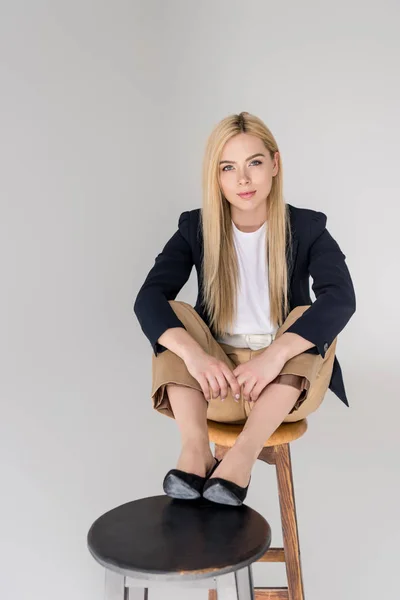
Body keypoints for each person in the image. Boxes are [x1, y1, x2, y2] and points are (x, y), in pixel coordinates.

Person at [133, 111, 356, 506]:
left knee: (309, 319)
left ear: (274, 163)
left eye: (254, 163)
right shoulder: (195, 228)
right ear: (215, 177)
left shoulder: (307, 228)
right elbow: (147, 299)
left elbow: (341, 299)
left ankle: (242, 457)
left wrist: (273, 357)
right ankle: (195, 451)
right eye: (228, 168)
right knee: (173, 314)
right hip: (216, 386)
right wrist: (197, 358)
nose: (243, 180)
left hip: (283, 389)